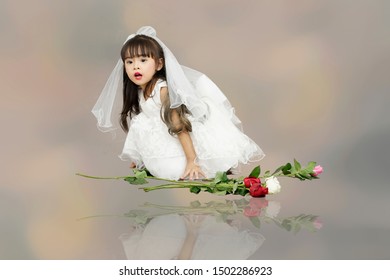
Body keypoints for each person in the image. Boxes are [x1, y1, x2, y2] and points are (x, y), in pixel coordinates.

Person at [92, 26, 265, 180]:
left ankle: (190, 161)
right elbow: (145, 129)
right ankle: (150, 161)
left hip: (179, 137)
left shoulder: (163, 91)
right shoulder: (140, 91)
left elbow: (180, 128)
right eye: (130, 62)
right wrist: (139, 157)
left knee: (172, 164)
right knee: (141, 121)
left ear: (159, 64)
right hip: (162, 140)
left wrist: (192, 162)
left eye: (143, 60)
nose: (136, 67)